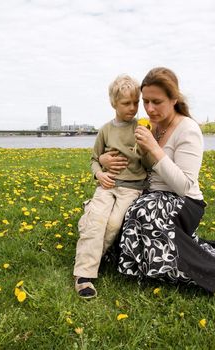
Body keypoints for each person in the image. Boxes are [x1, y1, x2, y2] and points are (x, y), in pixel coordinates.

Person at [100, 67, 215, 294]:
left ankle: (196, 269)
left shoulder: (188, 130)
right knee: (117, 211)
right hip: (149, 193)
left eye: (156, 102)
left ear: (174, 99)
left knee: (142, 212)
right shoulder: (150, 125)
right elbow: (130, 158)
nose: (149, 108)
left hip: (184, 201)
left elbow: (184, 186)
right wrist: (104, 159)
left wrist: (155, 150)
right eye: (145, 101)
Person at [73, 74, 148, 298]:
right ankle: (84, 275)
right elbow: (94, 159)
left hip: (132, 187)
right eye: (127, 103)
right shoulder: (105, 130)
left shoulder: (141, 127)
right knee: (97, 218)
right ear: (113, 103)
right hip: (107, 184)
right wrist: (99, 172)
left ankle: (93, 254)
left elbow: (147, 161)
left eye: (136, 102)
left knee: (114, 223)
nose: (133, 108)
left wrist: (145, 145)